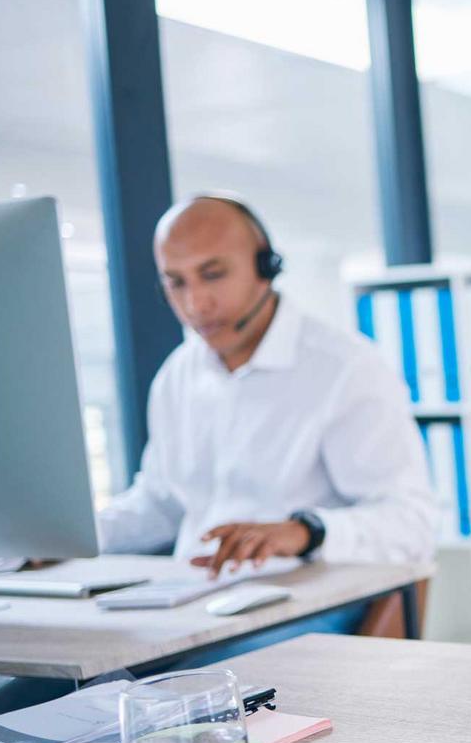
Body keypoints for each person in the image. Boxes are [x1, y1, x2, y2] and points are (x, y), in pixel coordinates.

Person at [99, 194, 436, 575]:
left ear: (266, 265)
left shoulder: (345, 368)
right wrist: (72, 539)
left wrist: (306, 531)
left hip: (305, 597)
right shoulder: (178, 375)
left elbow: (412, 523)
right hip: (196, 595)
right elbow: (162, 504)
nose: (195, 304)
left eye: (213, 275)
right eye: (176, 283)